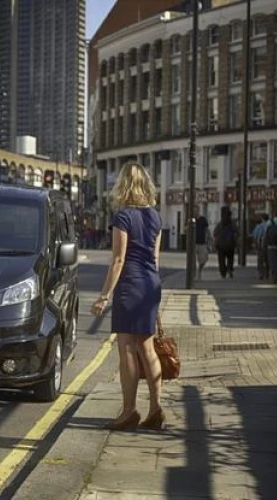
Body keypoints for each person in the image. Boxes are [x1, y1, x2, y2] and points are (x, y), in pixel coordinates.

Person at [91, 163, 165, 432]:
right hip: (150, 284)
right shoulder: (155, 217)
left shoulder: (122, 217)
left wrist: (104, 295)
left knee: (127, 349)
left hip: (130, 285)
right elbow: (155, 260)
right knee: (148, 348)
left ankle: (129, 411)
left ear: (123, 185)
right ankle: (156, 408)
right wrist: (155, 303)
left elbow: (119, 259)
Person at [213, 207, 238, 279]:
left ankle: (223, 272)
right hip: (230, 244)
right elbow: (237, 232)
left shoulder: (220, 224)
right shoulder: (232, 223)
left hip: (221, 245)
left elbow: (215, 233)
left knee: (221, 259)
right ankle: (230, 269)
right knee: (230, 258)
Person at [193, 208, 212, 280]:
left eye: (196, 211)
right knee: (192, 260)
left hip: (202, 242)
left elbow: (207, 229)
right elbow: (185, 229)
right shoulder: (191, 219)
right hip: (193, 243)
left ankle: (200, 269)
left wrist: (210, 237)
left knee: (204, 258)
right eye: (194, 211)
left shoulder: (203, 219)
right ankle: (194, 274)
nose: (195, 213)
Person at [252, 214, 271, 280]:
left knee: (260, 259)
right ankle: (267, 273)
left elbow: (255, 235)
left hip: (260, 244)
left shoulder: (259, 226)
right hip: (268, 245)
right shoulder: (269, 226)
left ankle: (261, 273)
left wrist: (255, 244)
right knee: (267, 259)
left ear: (262, 219)